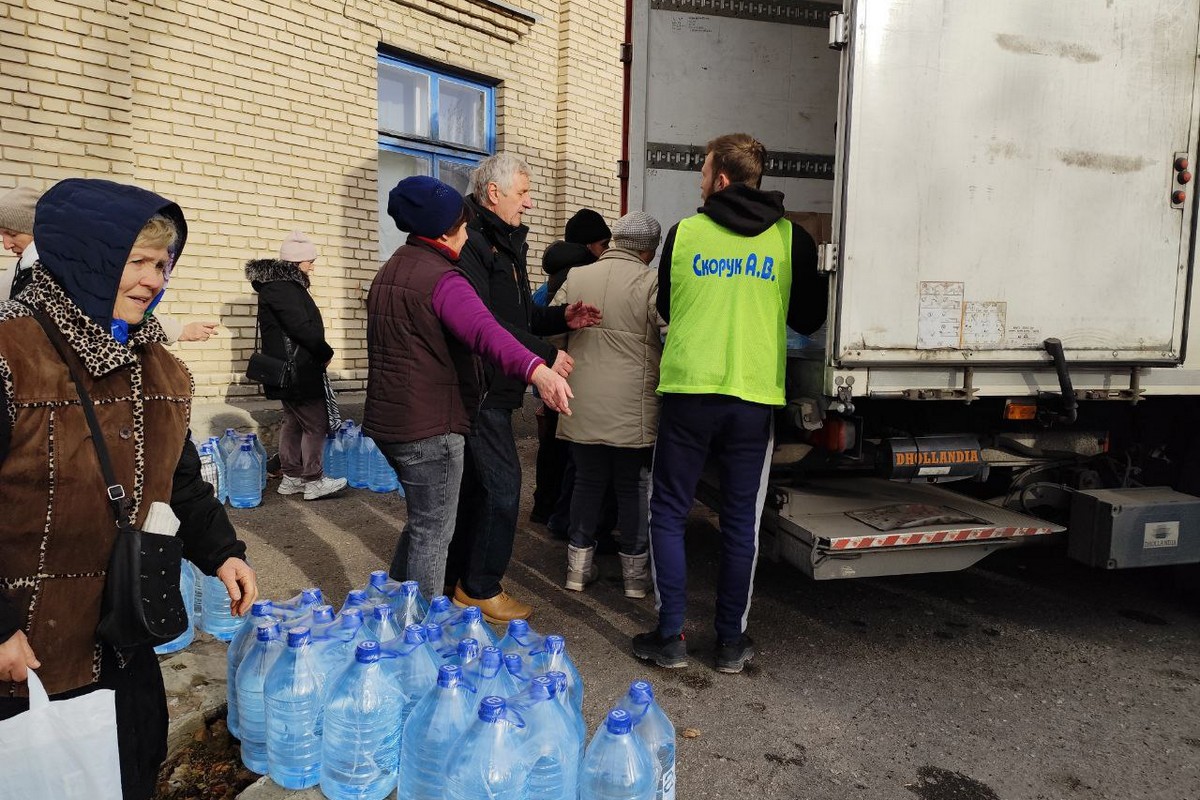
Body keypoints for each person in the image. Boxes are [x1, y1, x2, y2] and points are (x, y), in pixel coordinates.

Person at [0, 178, 258, 799]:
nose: (153, 278)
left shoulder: (158, 363)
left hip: (122, 625)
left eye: (162, 263)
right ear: (86, 259)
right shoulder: (11, 359)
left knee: (128, 765)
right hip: (27, 640)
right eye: (136, 261)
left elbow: (180, 477)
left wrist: (223, 552)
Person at [632, 133, 827, 674]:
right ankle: (729, 642)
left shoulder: (685, 233)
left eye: (702, 170)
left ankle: (670, 636)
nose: (699, 179)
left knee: (669, 512)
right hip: (751, 398)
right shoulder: (792, 240)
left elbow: (669, 304)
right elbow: (808, 319)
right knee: (741, 521)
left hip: (690, 393)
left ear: (720, 179)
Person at [365, 176, 575, 600]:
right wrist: (539, 369)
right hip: (430, 426)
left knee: (423, 519)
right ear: (443, 231)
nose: (467, 236)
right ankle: (415, 632)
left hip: (391, 420)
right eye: (462, 227)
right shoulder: (443, 279)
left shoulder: (392, 270)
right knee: (434, 533)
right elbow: (486, 333)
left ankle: (389, 603)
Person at [447, 152, 602, 622]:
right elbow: (485, 322)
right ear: (494, 194)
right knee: (501, 488)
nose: (530, 203)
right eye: (524, 193)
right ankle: (479, 587)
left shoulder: (504, 241)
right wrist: (545, 355)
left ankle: (460, 582)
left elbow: (518, 314)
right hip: (480, 387)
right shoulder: (474, 241)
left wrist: (560, 318)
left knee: (479, 490)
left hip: (499, 384)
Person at [552, 211, 666, 598]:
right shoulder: (651, 281)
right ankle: (635, 579)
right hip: (633, 405)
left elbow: (553, 327)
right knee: (633, 487)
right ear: (648, 249)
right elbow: (668, 335)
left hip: (582, 400)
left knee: (586, 481)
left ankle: (576, 570)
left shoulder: (579, 275)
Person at [1, 184, 219, 341]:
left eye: (161, 266)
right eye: (137, 261)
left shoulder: (169, 375)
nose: (155, 282)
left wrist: (181, 331)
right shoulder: (14, 346)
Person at [246, 231, 347, 501]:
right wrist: (325, 351)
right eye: (309, 261)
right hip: (297, 370)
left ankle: (291, 478)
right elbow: (301, 327)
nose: (312, 266)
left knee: (294, 422)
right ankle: (313, 480)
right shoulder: (284, 288)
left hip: (289, 369)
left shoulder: (278, 286)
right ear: (296, 263)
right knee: (316, 424)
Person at [531, 207, 612, 529]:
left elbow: (534, 313)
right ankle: (562, 518)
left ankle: (543, 507)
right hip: (570, 372)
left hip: (546, 372)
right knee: (570, 454)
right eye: (603, 243)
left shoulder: (553, 275)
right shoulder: (583, 274)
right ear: (590, 245)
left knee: (550, 445)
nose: (606, 250)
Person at [0, 185, 40, 299]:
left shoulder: (57, 275)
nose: (7, 246)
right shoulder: (14, 272)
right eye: (2, 235)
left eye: (13, 234)